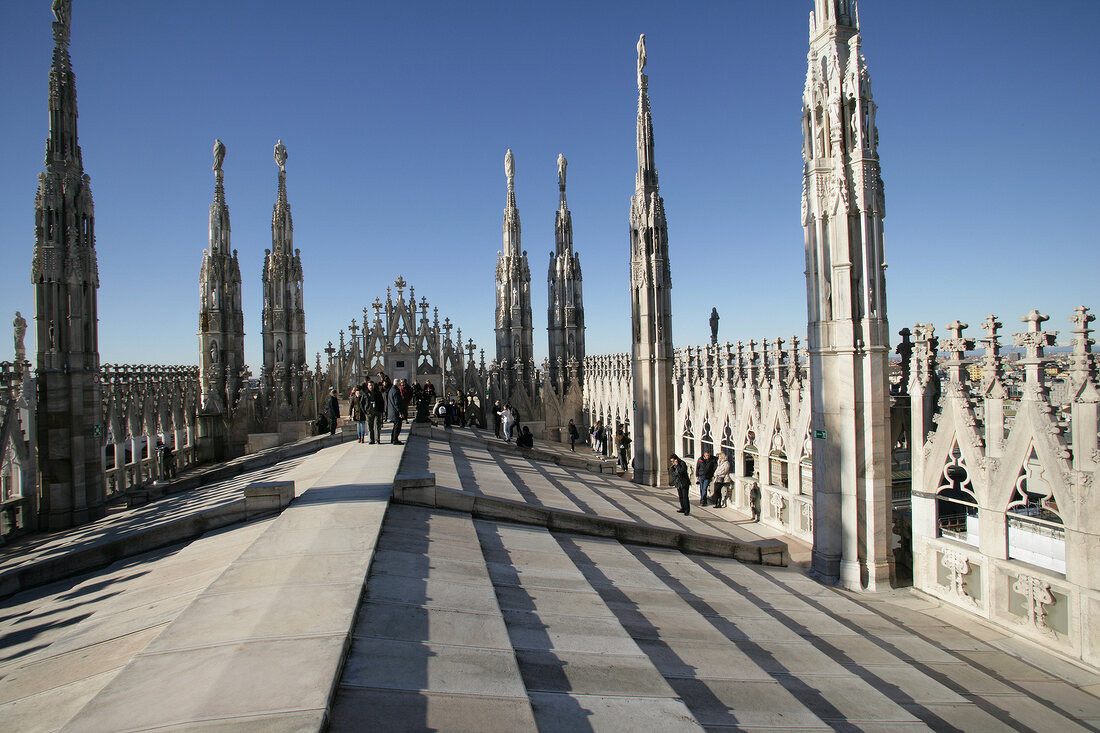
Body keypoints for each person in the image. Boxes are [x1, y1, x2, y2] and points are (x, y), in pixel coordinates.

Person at [364, 380, 385, 444]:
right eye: (370, 385)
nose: (371, 386)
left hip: (377, 411)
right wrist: (365, 410)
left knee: (377, 426)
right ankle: (371, 439)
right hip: (369, 412)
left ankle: (377, 439)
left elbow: (382, 402)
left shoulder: (378, 393)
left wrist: (381, 410)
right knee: (370, 427)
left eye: (372, 385)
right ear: (367, 386)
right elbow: (362, 403)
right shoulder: (365, 394)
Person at [388, 380, 406, 444]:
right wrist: (400, 412)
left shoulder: (391, 390)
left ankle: (393, 439)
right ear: (398, 384)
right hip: (396, 412)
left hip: (392, 411)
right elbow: (397, 403)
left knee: (395, 426)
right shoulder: (396, 391)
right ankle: (395, 440)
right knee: (397, 427)